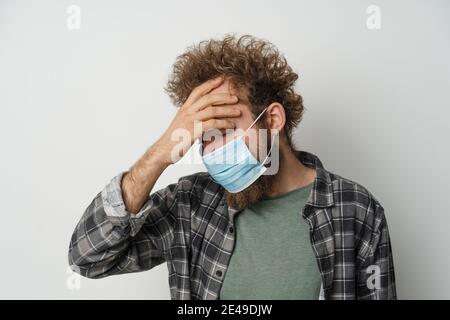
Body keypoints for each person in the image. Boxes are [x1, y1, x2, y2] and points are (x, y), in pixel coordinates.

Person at [68, 34, 396, 300]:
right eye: (204, 136)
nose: (215, 151)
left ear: (273, 119)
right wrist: (159, 154)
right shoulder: (189, 205)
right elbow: (88, 258)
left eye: (225, 129)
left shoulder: (355, 210)